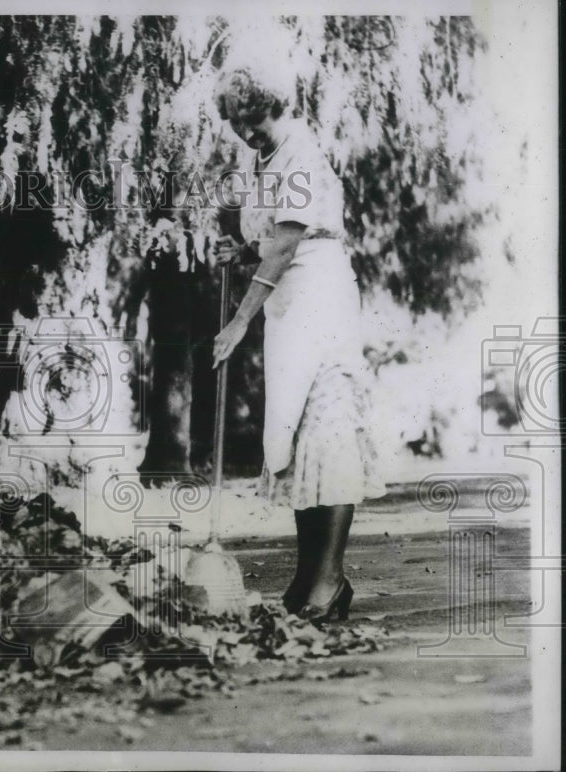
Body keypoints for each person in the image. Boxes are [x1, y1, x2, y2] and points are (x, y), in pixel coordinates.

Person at [211, 67, 385, 623]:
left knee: (325, 431)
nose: (245, 133)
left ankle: (329, 582)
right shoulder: (263, 158)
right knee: (290, 432)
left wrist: (238, 323)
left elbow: (288, 247)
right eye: (236, 124)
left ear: (277, 108)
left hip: (321, 300)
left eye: (253, 121)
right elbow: (270, 242)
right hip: (288, 306)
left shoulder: (301, 155)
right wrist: (239, 254)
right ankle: (307, 576)